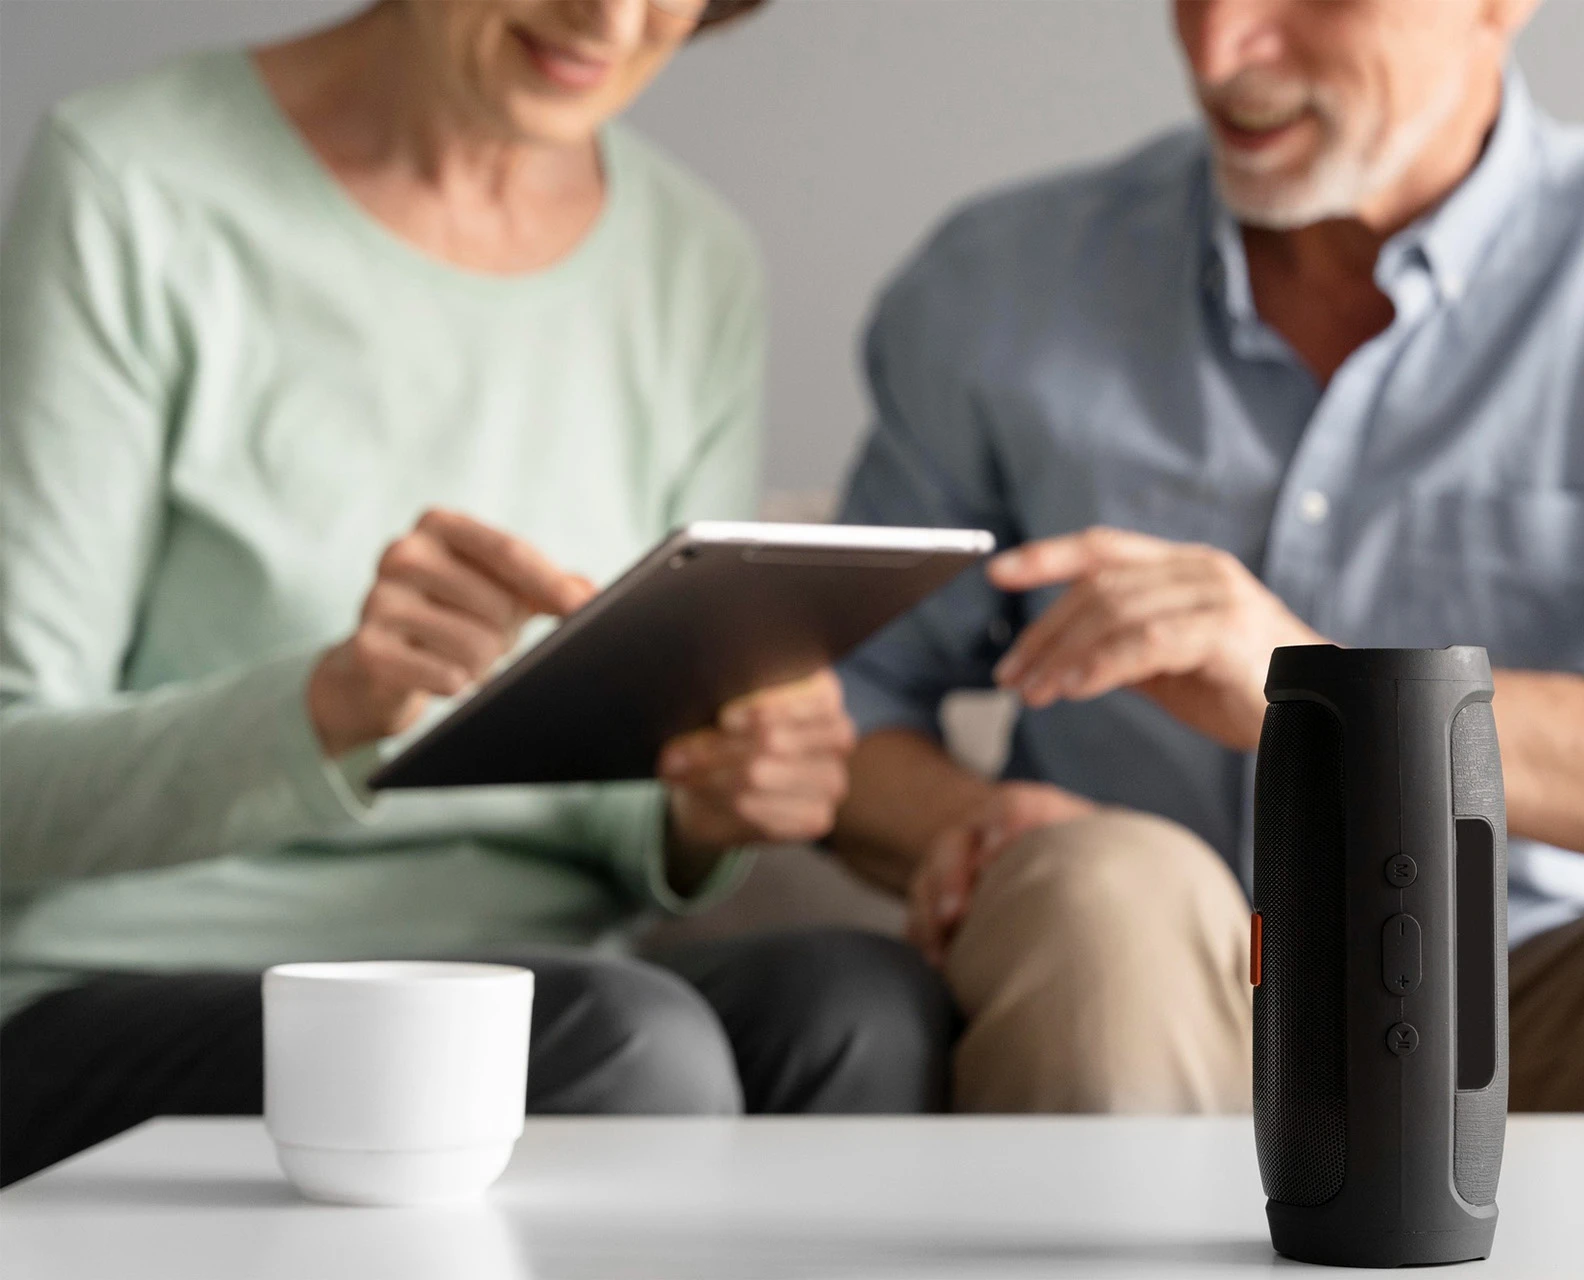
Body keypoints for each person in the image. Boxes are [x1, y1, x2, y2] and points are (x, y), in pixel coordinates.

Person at [829, 0, 1584, 1113]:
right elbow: (837, 698)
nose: (1218, 50)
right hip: (1135, 975)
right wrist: (966, 829)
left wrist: (1334, 701)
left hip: (1520, 1007)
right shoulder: (997, 286)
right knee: (1102, 885)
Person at [0, 0, 951, 1187]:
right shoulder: (133, 181)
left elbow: (632, 772)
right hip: (126, 993)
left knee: (862, 1008)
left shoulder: (690, 259)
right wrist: (327, 707)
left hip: (544, 983)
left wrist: (702, 801)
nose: (611, 18)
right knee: (619, 1046)